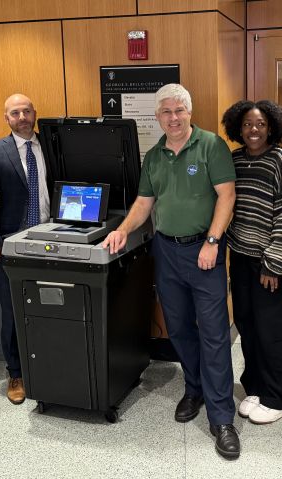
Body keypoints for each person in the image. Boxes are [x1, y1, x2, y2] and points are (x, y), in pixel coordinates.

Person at [101, 84, 239, 459]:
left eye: (179, 110)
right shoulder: (155, 156)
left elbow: (227, 195)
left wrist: (212, 242)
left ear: (189, 112)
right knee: (178, 329)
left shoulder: (211, 146)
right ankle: (193, 389)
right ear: (158, 116)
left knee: (213, 334)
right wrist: (122, 229)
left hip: (204, 250)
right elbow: (145, 202)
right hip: (167, 251)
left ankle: (222, 416)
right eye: (166, 112)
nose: (173, 118)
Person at [220, 100, 282, 425]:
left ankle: (280, 397)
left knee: (270, 329)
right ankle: (254, 386)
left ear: (271, 127)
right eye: (247, 125)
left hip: (269, 261)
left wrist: (275, 262)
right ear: (238, 128)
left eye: (260, 125)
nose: (254, 130)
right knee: (246, 324)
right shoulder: (235, 159)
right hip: (239, 256)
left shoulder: (280, 158)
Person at [0, 94, 51, 404]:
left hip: (51, 236)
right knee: (13, 311)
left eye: (26, 110)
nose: (22, 116)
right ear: (6, 118)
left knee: (50, 305)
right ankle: (16, 372)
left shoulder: (51, 145)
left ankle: (49, 366)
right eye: (14, 112)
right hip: (13, 242)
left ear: (35, 113)